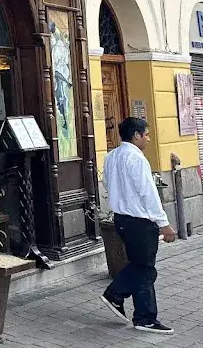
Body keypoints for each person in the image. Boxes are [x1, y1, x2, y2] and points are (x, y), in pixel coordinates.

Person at [100, 117, 177, 334]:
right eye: (146, 134)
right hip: (140, 221)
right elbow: (148, 193)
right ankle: (120, 298)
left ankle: (142, 314)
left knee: (141, 266)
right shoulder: (137, 159)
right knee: (144, 269)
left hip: (121, 219)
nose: (149, 139)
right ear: (136, 135)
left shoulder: (111, 156)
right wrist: (164, 224)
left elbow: (106, 184)